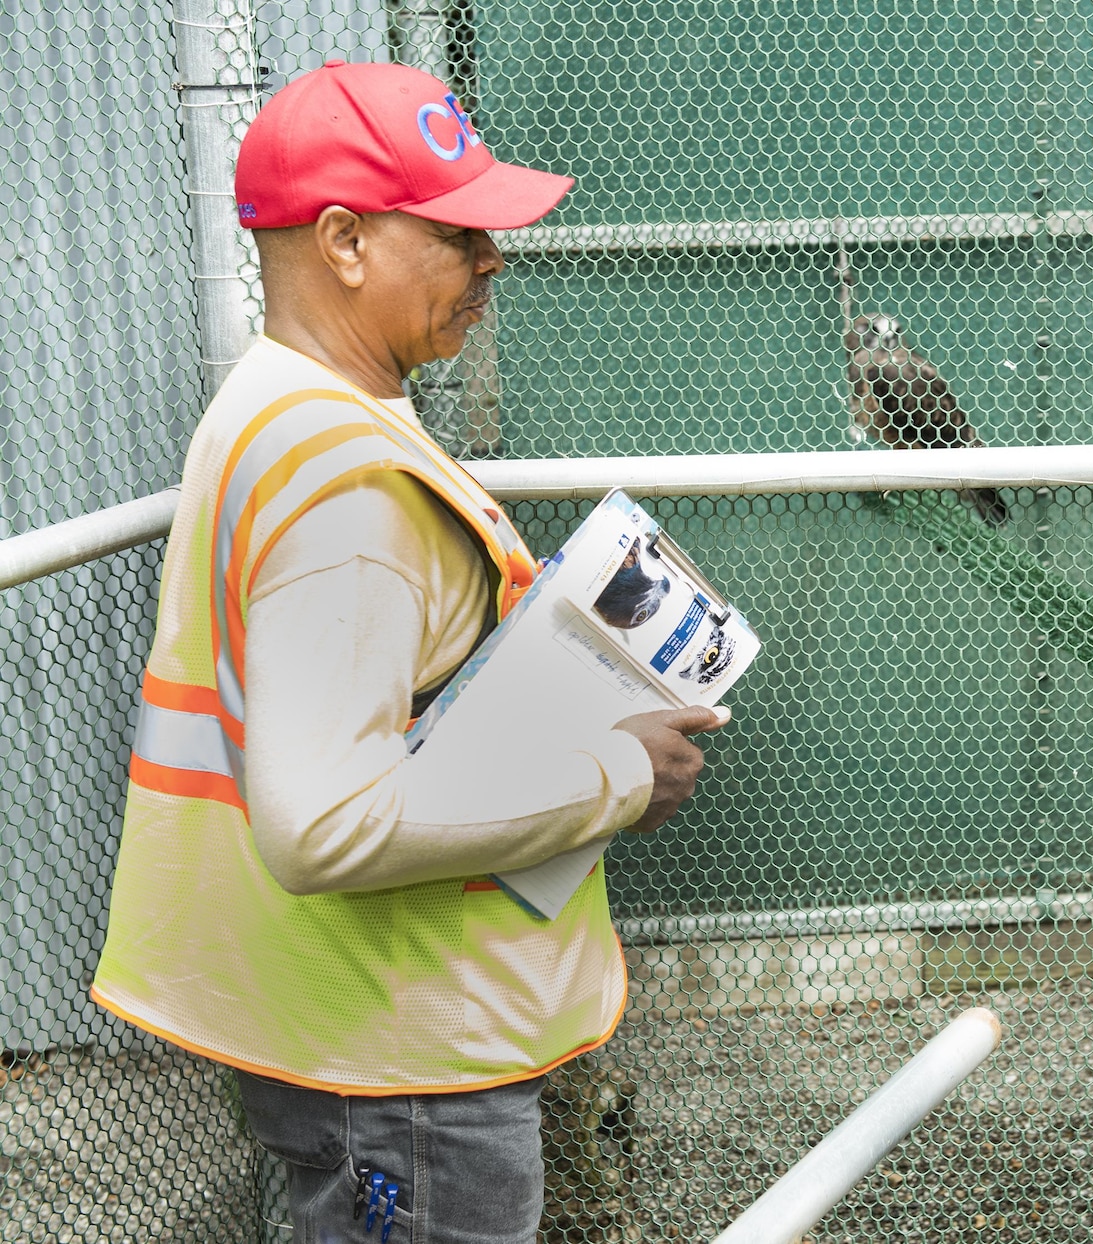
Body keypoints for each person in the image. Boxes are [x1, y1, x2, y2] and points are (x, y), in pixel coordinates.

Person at [88, 61, 726, 1242]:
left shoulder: (280, 405)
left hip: (352, 1040)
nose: (492, 260)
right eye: (458, 230)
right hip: (403, 1063)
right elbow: (322, 820)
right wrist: (618, 775)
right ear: (340, 240)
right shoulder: (345, 487)